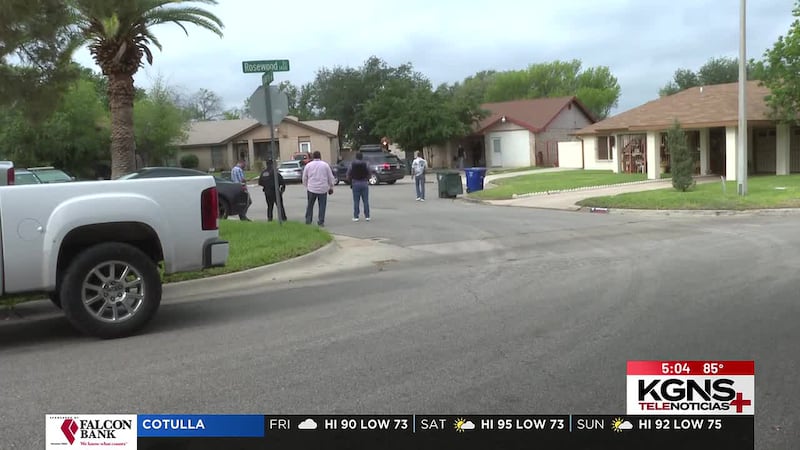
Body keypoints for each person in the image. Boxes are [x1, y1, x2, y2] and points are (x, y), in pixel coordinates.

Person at [302, 151, 335, 226]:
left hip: (311, 188)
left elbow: (304, 177)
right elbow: (330, 177)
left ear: (313, 157)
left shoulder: (308, 165)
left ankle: (308, 220)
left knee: (310, 205)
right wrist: (331, 186)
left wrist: (306, 185)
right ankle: (321, 221)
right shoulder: (325, 165)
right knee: (322, 206)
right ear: (320, 156)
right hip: (323, 189)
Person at [346, 152, 371, 222]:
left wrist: (350, 181)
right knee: (365, 200)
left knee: (356, 201)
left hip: (355, 183)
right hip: (364, 183)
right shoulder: (366, 164)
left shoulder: (352, 164)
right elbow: (369, 173)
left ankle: (356, 216)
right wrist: (367, 179)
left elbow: (348, 174)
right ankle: (367, 216)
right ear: (362, 157)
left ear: (356, 157)